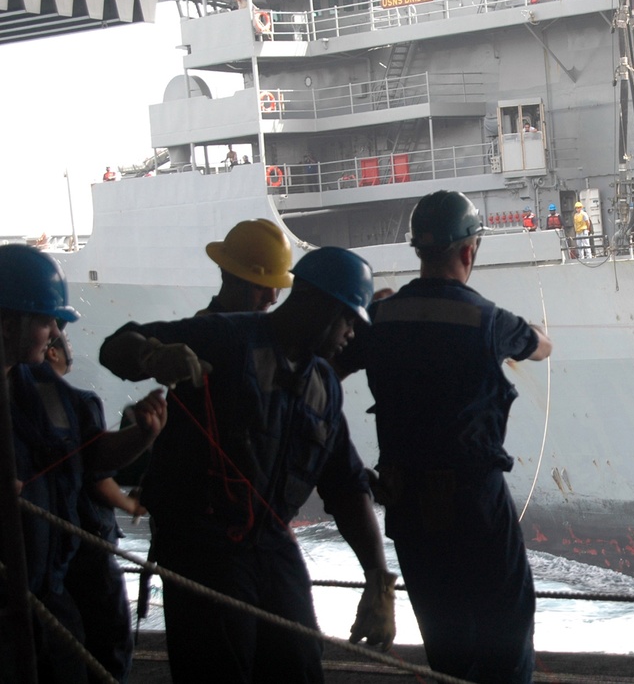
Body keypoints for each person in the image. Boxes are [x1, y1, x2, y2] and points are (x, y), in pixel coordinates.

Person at [98, 246, 396, 683]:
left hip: (270, 543)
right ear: (314, 304)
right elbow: (116, 346)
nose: (351, 334)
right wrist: (152, 356)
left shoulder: (322, 385)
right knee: (219, 666)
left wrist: (378, 577)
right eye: (348, 319)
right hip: (204, 544)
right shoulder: (225, 338)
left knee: (298, 662)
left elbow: (346, 485)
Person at [337, 190, 552, 684]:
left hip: (409, 506)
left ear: (419, 249)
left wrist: (369, 314)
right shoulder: (488, 321)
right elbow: (541, 346)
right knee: (507, 628)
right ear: (469, 251)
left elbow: (328, 368)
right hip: (475, 506)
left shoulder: (382, 320)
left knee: (446, 642)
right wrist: (536, 333)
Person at [0, 245, 166, 684]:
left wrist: (140, 436)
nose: (55, 332)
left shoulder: (45, 390)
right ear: (7, 321)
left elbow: (88, 457)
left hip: (46, 588)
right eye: (45, 320)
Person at [47, 329, 143, 684]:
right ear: (51, 353)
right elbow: (97, 474)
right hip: (87, 545)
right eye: (61, 338)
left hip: (51, 549)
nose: (68, 344)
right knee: (108, 644)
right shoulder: (79, 404)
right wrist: (131, 504)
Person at [202, 218, 293, 315]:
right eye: (260, 287)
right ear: (227, 277)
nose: (272, 298)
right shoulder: (200, 329)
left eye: (278, 287)